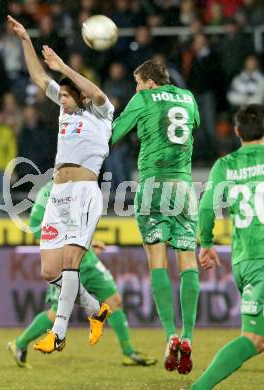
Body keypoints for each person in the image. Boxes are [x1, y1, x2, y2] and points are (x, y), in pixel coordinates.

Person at [7, 15, 114, 354]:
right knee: (49, 269)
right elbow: (39, 76)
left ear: (79, 96)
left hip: (84, 194)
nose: (62, 101)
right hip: (58, 195)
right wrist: (25, 38)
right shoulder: (65, 111)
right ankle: (96, 310)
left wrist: (65, 68)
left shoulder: (101, 112)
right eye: (62, 97)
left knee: (70, 262)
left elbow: (96, 92)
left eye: (67, 96)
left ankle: (59, 332)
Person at [111, 60, 200, 374]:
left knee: (157, 263)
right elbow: (194, 127)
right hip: (185, 187)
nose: (136, 88)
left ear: (149, 82)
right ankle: (188, 335)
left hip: (153, 187)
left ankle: (170, 335)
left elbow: (115, 133)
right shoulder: (188, 98)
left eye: (137, 83)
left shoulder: (143, 98)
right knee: (188, 263)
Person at [8, 181, 157, 368]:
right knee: (55, 314)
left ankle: (129, 353)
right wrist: (65, 245)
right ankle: (19, 344)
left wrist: (89, 241)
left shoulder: (82, 186)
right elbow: (37, 227)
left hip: (88, 260)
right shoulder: (48, 192)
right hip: (65, 263)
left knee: (114, 301)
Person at [190, 104, 264, 389]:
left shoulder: (225, 165)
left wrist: (206, 243)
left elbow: (207, 207)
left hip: (244, 262)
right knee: (253, 339)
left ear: (236, 132)